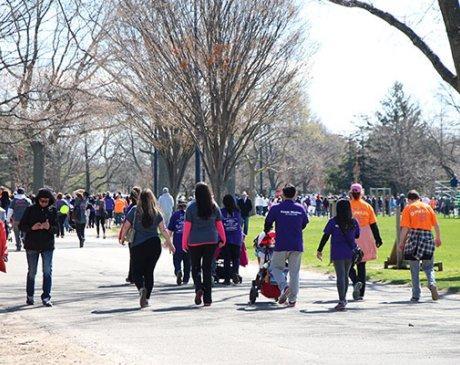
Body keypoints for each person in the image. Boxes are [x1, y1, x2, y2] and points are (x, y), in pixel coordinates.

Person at [119, 189, 175, 308]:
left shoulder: (134, 211)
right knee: (149, 272)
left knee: (136, 272)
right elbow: (163, 230)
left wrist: (122, 238)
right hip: (154, 244)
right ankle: (147, 298)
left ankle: (141, 289)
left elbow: (126, 226)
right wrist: (170, 243)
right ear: (152, 199)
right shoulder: (156, 212)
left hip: (138, 245)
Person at [182, 182, 226, 307]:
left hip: (194, 241)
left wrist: (184, 243)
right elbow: (219, 224)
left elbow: (187, 227)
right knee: (207, 269)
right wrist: (223, 238)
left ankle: (198, 288)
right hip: (211, 240)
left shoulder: (191, 208)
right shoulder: (214, 206)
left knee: (195, 267)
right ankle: (208, 299)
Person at [264, 184, 308, 307]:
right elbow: (304, 224)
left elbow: (268, 223)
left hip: (281, 243)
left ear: (283, 194)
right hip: (296, 243)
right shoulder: (300, 208)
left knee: (275, 268)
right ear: (295, 194)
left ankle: (284, 287)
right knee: (294, 272)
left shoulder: (276, 208)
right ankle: (293, 299)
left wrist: (267, 230)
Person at [317, 199, 360, 311]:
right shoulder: (353, 222)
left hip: (337, 251)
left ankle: (342, 300)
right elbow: (357, 236)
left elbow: (325, 236)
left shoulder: (333, 221)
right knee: (345, 275)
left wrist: (319, 249)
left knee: (340, 276)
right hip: (350, 251)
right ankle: (344, 298)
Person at [399, 190, 442, 302]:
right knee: (429, 266)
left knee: (414, 268)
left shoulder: (408, 208)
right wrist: (438, 238)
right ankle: (432, 283)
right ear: (419, 198)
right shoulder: (428, 207)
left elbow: (405, 228)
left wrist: (402, 242)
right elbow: (436, 224)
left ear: (409, 200)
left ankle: (416, 294)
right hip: (427, 236)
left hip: (414, 237)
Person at [19, 188, 58, 307]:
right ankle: (30, 296)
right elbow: (21, 225)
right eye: (42, 201)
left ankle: (46, 297)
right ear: (38, 200)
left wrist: (49, 227)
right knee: (32, 271)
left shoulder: (52, 211)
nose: (44, 203)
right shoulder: (30, 210)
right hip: (32, 245)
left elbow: (57, 229)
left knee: (47, 271)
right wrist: (32, 228)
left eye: (46, 201)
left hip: (47, 245)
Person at [348, 184, 383, 300]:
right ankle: (361, 293)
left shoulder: (347, 205)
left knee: (347, 264)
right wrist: (378, 239)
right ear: (361, 193)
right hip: (365, 236)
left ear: (351, 193)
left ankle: (355, 281)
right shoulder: (367, 206)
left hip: (351, 236)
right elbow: (373, 224)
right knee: (361, 265)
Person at [221, 194, 243, 285]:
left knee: (227, 259)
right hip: (236, 238)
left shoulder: (222, 212)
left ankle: (227, 279)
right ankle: (235, 273)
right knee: (236, 258)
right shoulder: (237, 211)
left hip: (226, 238)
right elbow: (241, 223)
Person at [168, 199, 190, 285]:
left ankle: (178, 271)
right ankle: (186, 278)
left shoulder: (175, 215)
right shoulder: (189, 214)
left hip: (177, 242)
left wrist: (168, 242)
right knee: (187, 262)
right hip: (188, 243)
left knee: (176, 259)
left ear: (178, 206)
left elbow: (170, 230)